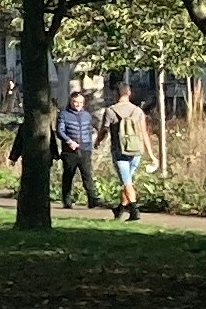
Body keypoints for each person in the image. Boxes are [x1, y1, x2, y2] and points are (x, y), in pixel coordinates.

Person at [100, 75, 153, 218]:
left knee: (127, 182)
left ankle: (134, 211)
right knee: (127, 180)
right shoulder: (137, 111)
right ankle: (120, 209)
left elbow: (104, 130)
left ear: (115, 94)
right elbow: (144, 133)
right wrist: (151, 154)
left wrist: (97, 142)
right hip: (136, 151)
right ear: (129, 93)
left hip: (120, 152)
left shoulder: (111, 111)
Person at [54, 77, 98, 212]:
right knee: (68, 175)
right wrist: (69, 141)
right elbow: (60, 131)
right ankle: (67, 201)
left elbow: (91, 129)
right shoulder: (64, 115)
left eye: (80, 102)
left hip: (85, 149)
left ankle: (92, 200)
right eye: (75, 102)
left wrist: (91, 144)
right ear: (71, 102)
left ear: (83, 103)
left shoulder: (87, 115)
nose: (77, 104)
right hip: (69, 151)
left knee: (87, 175)